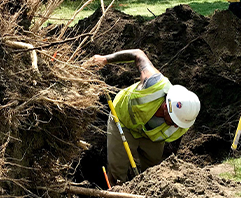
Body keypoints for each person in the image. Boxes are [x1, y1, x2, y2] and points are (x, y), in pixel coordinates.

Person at [86, 49, 200, 184]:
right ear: (166, 106)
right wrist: (105, 59)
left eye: (179, 124)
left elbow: (171, 152)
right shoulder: (153, 83)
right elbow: (138, 54)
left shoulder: (184, 120)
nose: (176, 126)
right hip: (123, 121)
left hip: (152, 137)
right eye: (174, 120)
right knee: (117, 171)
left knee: (153, 173)